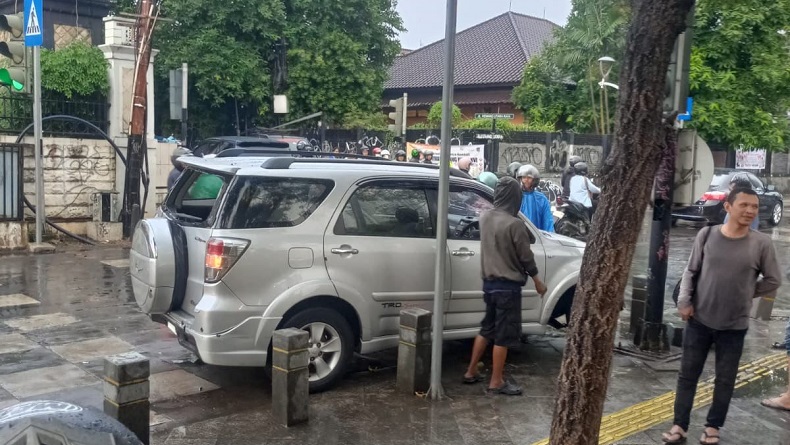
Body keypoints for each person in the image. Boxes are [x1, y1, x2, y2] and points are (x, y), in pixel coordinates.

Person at [662, 187, 781, 445]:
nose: (750, 210)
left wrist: (749, 291)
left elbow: (773, 280)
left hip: (734, 325)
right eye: (744, 205)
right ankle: (679, 425)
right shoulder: (706, 235)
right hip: (699, 320)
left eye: (754, 206)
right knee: (687, 376)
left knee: (725, 380)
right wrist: (684, 301)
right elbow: (691, 271)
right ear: (728, 207)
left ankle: (713, 427)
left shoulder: (761, 243)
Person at [462, 176, 548, 395]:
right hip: (508, 288)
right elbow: (526, 257)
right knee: (503, 335)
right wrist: (537, 280)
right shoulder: (515, 224)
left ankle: (471, 371)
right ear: (515, 197)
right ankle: (496, 381)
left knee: (487, 328)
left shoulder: (485, 217)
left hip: (489, 285)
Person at [516, 164, 554, 232]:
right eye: (524, 177)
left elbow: (548, 221)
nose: (526, 180)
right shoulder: (515, 196)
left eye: (529, 178)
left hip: (536, 238)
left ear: (534, 180)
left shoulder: (541, 199)